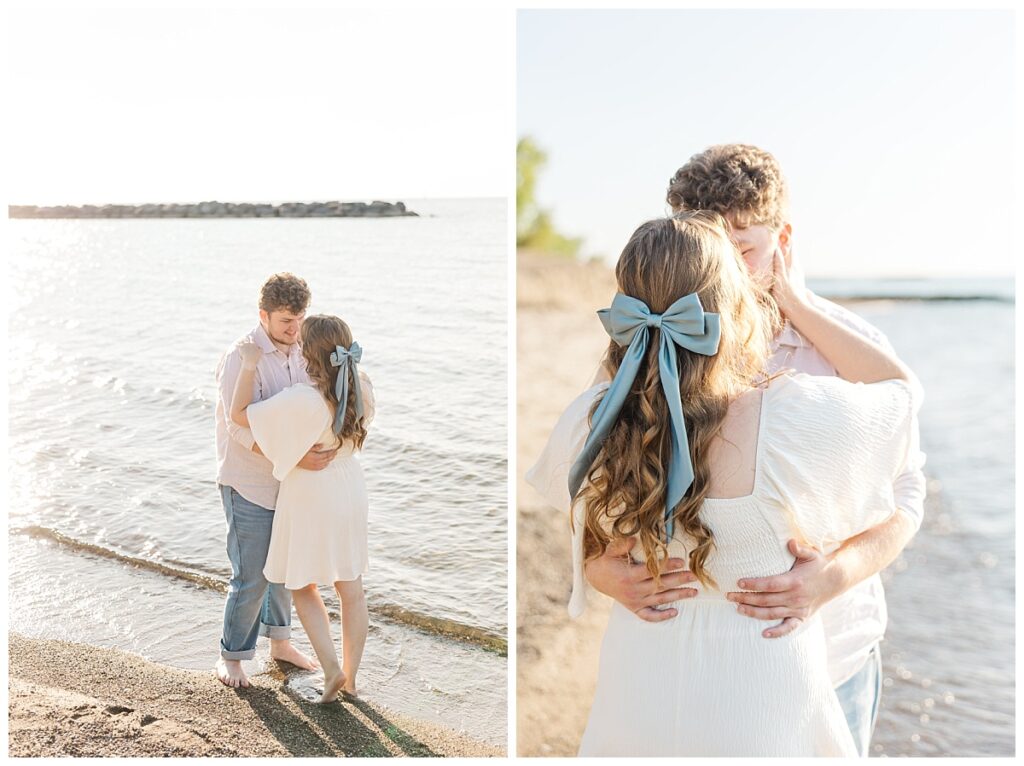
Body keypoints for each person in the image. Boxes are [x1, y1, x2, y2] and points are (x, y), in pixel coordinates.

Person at [527, 211, 921, 755]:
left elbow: (587, 534)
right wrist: (799, 305)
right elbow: (900, 392)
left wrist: (628, 354)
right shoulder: (790, 419)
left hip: (642, 679)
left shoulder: (594, 420)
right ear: (734, 307)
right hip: (761, 687)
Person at [230, 313, 374, 703]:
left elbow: (238, 415)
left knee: (302, 584)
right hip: (350, 487)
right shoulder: (362, 387)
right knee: (351, 588)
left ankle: (331, 671)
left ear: (308, 353)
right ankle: (354, 680)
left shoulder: (303, 400)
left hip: (313, 493)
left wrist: (248, 364)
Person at [214, 272, 335, 688]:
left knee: (285, 569)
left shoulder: (305, 349)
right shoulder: (240, 357)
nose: (294, 328)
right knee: (251, 575)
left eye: (300, 318)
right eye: (285, 320)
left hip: (292, 482)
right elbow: (239, 428)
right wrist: (294, 454)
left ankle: (280, 643)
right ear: (263, 314)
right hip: (248, 481)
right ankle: (231, 655)